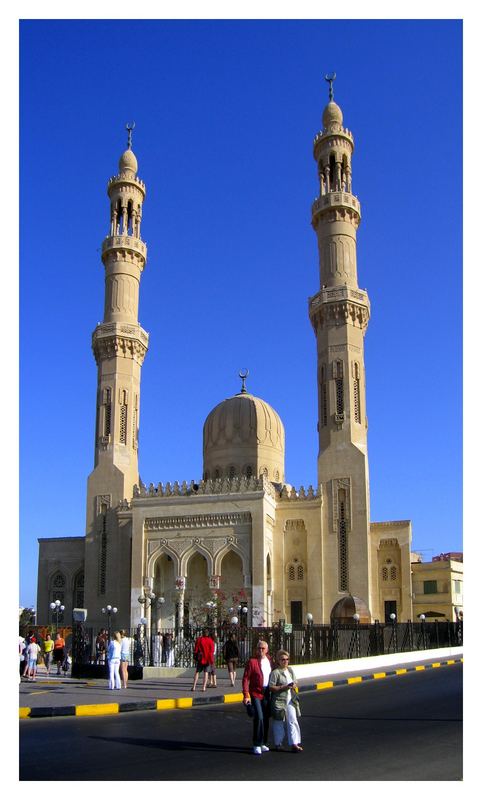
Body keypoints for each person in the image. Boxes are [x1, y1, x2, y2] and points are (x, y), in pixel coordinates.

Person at [242, 640, 274, 755]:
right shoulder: (252, 662)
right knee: (259, 717)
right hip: (255, 693)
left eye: (263, 648)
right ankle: (256, 743)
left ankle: (263, 742)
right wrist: (246, 694)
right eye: (259, 648)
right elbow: (246, 678)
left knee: (266, 718)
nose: (260, 650)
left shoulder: (270, 661)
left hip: (266, 693)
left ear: (267, 650)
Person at [269, 649, 303, 752]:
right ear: (278, 661)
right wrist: (284, 687)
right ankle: (278, 743)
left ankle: (294, 743)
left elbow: (295, 681)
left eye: (287, 659)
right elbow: (271, 687)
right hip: (279, 700)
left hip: (291, 699)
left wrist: (294, 685)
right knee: (279, 721)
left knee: (293, 720)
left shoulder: (290, 670)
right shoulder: (276, 673)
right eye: (283, 659)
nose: (285, 661)